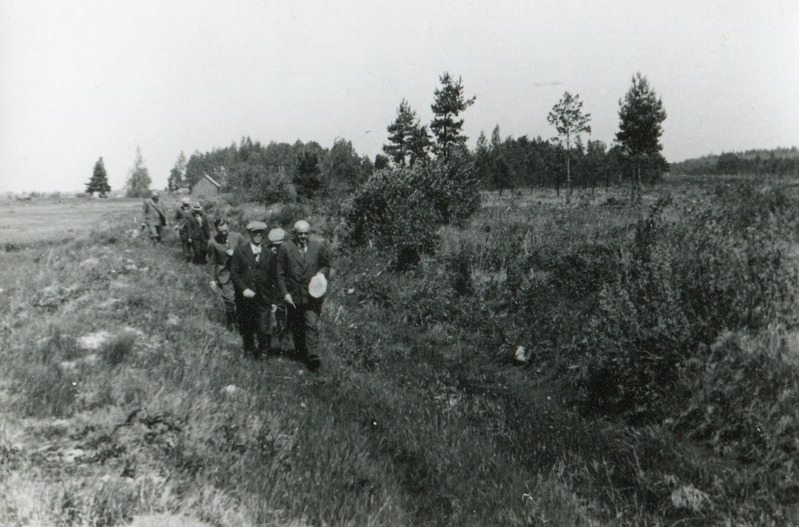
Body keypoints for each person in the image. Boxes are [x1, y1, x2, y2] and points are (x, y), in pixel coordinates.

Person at [277, 220, 331, 372]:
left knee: (311, 323)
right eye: (300, 233)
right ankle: (300, 352)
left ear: (309, 233)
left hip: (312, 294)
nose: (303, 236)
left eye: (306, 233)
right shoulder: (285, 247)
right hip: (293, 295)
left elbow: (326, 265)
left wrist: (321, 274)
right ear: (294, 233)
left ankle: (313, 357)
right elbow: (279, 274)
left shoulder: (318, 247)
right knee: (297, 325)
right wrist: (284, 293)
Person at [230, 221, 276, 359]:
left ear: (264, 235)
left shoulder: (269, 253)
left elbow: (273, 279)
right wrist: (243, 289)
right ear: (249, 233)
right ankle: (249, 350)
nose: (258, 235)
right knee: (247, 324)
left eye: (260, 233)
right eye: (255, 232)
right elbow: (234, 274)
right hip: (245, 297)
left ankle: (263, 352)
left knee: (264, 326)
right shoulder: (240, 251)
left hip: (263, 297)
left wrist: (273, 300)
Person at [208, 219, 241, 331]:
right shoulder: (213, 243)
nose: (224, 233)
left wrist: (235, 254)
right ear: (216, 229)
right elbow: (212, 262)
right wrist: (212, 280)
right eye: (221, 231)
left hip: (240, 274)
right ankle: (231, 324)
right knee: (229, 300)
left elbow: (247, 253)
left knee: (241, 300)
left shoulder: (238, 237)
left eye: (226, 230)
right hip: (224, 275)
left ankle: (242, 323)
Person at [267, 228, 289, 354]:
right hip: (272, 287)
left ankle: (284, 339)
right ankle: (277, 339)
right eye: (275, 245)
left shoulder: (288, 250)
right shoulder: (267, 251)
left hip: (285, 287)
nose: (277, 247)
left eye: (279, 244)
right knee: (276, 315)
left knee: (286, 315)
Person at [173, 197, 193, 262]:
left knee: (191, 241)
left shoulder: (192, 209)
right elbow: (175, 218)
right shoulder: (179, 210)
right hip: (182, 228)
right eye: (184, 204)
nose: (186, 205)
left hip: (191, 228)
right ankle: (186, 256)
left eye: (187, 204)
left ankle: (191, 255)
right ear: (182, 203)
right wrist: (177, 225)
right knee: (184, 241)